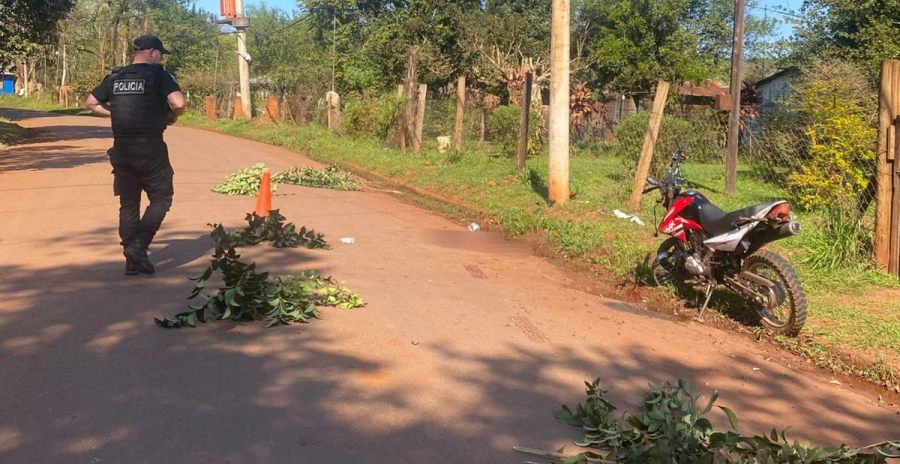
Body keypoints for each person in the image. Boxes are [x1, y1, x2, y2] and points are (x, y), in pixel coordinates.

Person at [85, 35, 185, 275]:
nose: (161, 58)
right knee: (162, 198)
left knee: (128, 205)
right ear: (151, 52)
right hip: (150, 148)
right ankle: (139, 245)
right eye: (160, 53)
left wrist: (114, 113)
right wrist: (171, 116)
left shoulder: (116, 77)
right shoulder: (160, 75)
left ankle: (132, 261)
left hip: (122, 150)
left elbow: (91, 102)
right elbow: (178, 103)